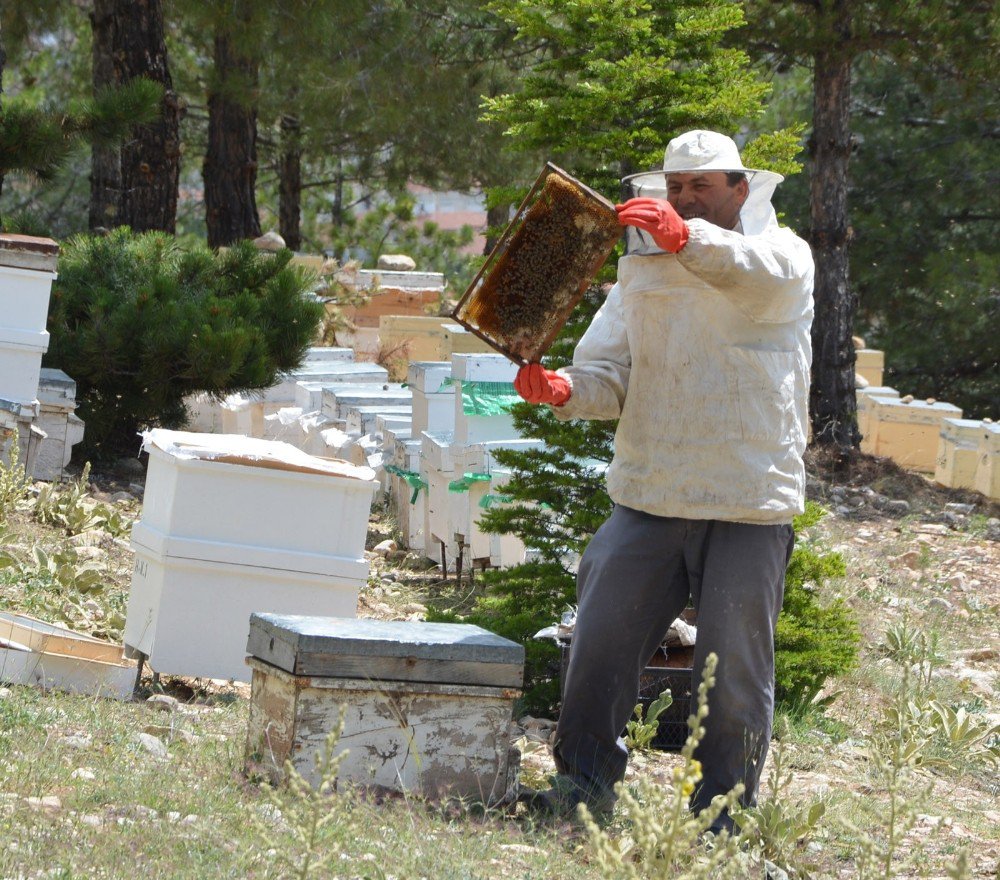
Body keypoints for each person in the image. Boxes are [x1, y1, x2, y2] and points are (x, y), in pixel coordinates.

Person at [513, 130, 815, 833]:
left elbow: (755, 277)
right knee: (599, 643)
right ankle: (582, 787)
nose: (684, 197)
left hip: (747, 501)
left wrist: (690, 240)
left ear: (742, 189)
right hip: (650, 490)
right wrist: (563, 389)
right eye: (676, 186)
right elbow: (609, 373)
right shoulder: (641, 271)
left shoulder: (784, 256)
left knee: (734, 674)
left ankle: (725, 816)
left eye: (702, 185)